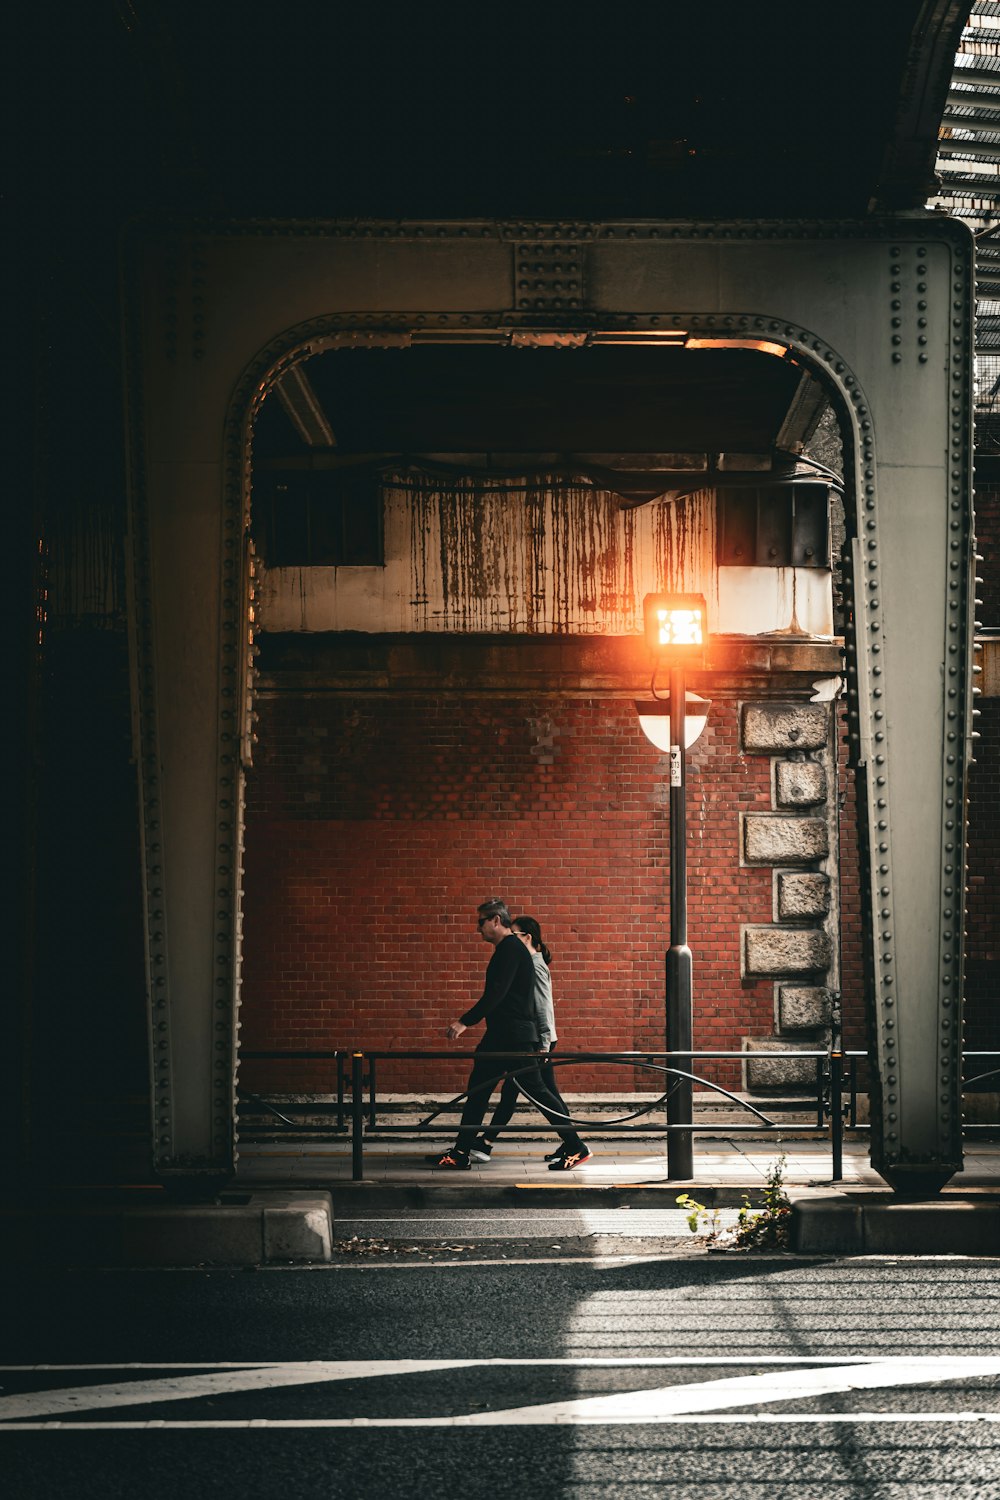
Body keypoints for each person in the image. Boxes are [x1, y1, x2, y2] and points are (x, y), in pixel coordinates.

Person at [429, 899, 591, 1171]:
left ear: (495, 920)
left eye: (480, 921)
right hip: (501, 1037)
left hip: (514, 1038)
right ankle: (460, 1151)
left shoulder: (511, 949)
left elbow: (498, 992)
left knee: (538, 1092)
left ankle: (576, 1146)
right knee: (478, 1091)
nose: (477, 928)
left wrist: (465, 1021)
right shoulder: (508, 949)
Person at [469, 915, 589, 1169]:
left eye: (514, 935)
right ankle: (570, 1144)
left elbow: (543, 1005)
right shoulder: (527, 961)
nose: (510, 940)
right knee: (535, 1093)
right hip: (534, 1038)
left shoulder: (533, 964)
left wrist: (544, 1044)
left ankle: (575, 1146)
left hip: (537, 1040)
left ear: (527, 937)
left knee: (534, 1094)